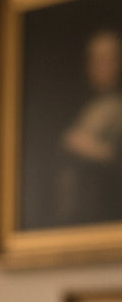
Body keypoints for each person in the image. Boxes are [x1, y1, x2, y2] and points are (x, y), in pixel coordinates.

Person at [57, 28, 122, 225]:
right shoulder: (81, 107)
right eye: (94, 59)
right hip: (76, 219)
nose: (99, 66)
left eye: (107, 59)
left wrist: (92, 149)